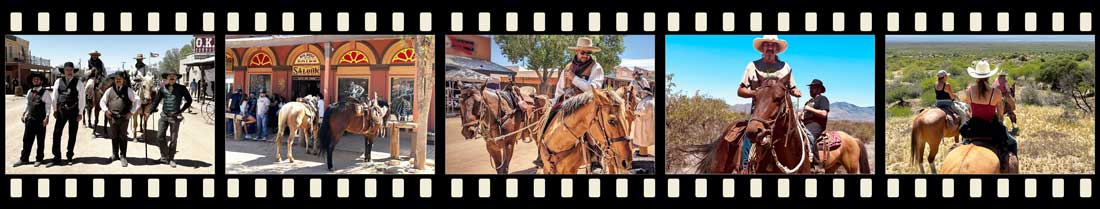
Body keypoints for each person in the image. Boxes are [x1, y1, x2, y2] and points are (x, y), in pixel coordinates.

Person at [737, 35, 802, 171]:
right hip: (760, 112)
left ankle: (807, 161)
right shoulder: (752, 66)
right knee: (750, 133)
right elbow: (740, 90)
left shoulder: (784, 67)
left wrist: (796, 91)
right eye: (767, 45)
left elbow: (792, 87)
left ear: (777, 49)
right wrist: (757, 93)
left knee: (801, 132)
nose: (770, 48)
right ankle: (745, 167)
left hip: (782, 113)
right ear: (763, 48)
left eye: (773, 45)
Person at [959, 60, 1018, 172]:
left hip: (973, 128)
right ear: (988, 76)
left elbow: (969, 109)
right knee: (1013, 143)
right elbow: (1000, 114)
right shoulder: (995, 92)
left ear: (976, 76)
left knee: (964, 142)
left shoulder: (969, 91)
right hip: (991, 129)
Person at [148, 72, 192, 168]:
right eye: (169, 76)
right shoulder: (162, 88)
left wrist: (181, 110)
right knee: (160, 136)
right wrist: (149, 112)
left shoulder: (182, 88)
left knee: (173, 139)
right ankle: (164, 157)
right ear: (167, 78)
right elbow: (156, 101)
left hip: (175, 118)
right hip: (164, 116)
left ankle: (171, 159)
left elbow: (189, 100)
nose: (171, 77)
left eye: (174, 76)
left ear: (176, 78)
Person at [49, 62, 86, 167]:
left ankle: (69, 156)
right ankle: (56, 157)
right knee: (56, 133)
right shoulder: (58, 81)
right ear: (64, 71)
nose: (69, 72)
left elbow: (82, 98)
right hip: (61, 111)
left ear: (73, 71)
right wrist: (54, 110)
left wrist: (80, 113)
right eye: (67, 70)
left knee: (72, 134)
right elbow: (54, 96)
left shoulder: (78, 82)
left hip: (74, 111)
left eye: (71, 70)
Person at [100, 72, 139, 167]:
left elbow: (137, 100)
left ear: (123, 80)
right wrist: (106, 110)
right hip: (112, 117)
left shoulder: (129, 90)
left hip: (124, 118)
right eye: (116, 78)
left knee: (123, 136)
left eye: (120, 79)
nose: (118, 80)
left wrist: (131, 112)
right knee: (114, 136)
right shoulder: (109, 90)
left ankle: (123, 156)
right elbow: (102, 101)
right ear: (114, 80)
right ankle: (114, 154)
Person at [13, 74, 53, 167]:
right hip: (30, 120)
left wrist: (47, 117)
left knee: (40, 140)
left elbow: (48, 106)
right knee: (26, 140)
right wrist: (24, 113)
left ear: (41, 81)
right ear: (32, 81)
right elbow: (27, 104)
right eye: (34, 79)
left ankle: (39, 159)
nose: (35, 80)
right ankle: (24, 159)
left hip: (40, 120)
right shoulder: (29, 91)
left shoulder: (45, 92)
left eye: (37, 79)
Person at [800, 79, 830, 172]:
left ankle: (816, 165)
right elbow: (804, 114)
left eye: (813, 88)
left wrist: (810, 109)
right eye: (810, 88)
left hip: (817, 124)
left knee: (807, 135)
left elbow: (824, 113)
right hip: (805, 124)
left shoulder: (822, 99)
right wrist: (800, 116)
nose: (810, 89)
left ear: (819, 89)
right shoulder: (808, 101)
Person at [630, 70, 655, 157]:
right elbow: (631, 87)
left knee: (643, 137)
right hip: (637, 96)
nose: (637, 76)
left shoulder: (644, 80)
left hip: (644, 121)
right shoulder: (633, 81)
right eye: (636, 75)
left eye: (638, 75)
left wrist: (635, 112)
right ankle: (641, 150)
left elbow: (646, 88)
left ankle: (643, 153)